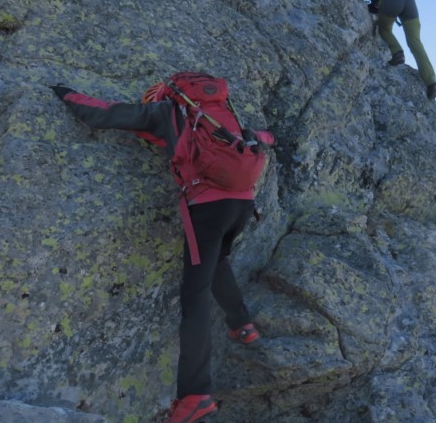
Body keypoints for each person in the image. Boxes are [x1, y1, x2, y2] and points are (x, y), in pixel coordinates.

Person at [51, 73, 275, 423]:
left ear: (163, 95)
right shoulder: (221, 114)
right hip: (242, 205)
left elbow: (100, 113)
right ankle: (242, 324)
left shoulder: (164, 112)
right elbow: (261, 138)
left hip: (208, 210)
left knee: (194, 298)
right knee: (217, 263)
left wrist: (64, 92)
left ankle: (195, 395)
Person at [352, 0, 436, 100]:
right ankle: (432, 83)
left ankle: (397, 53)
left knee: (384, 29)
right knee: (415, 42)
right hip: (410, 1)